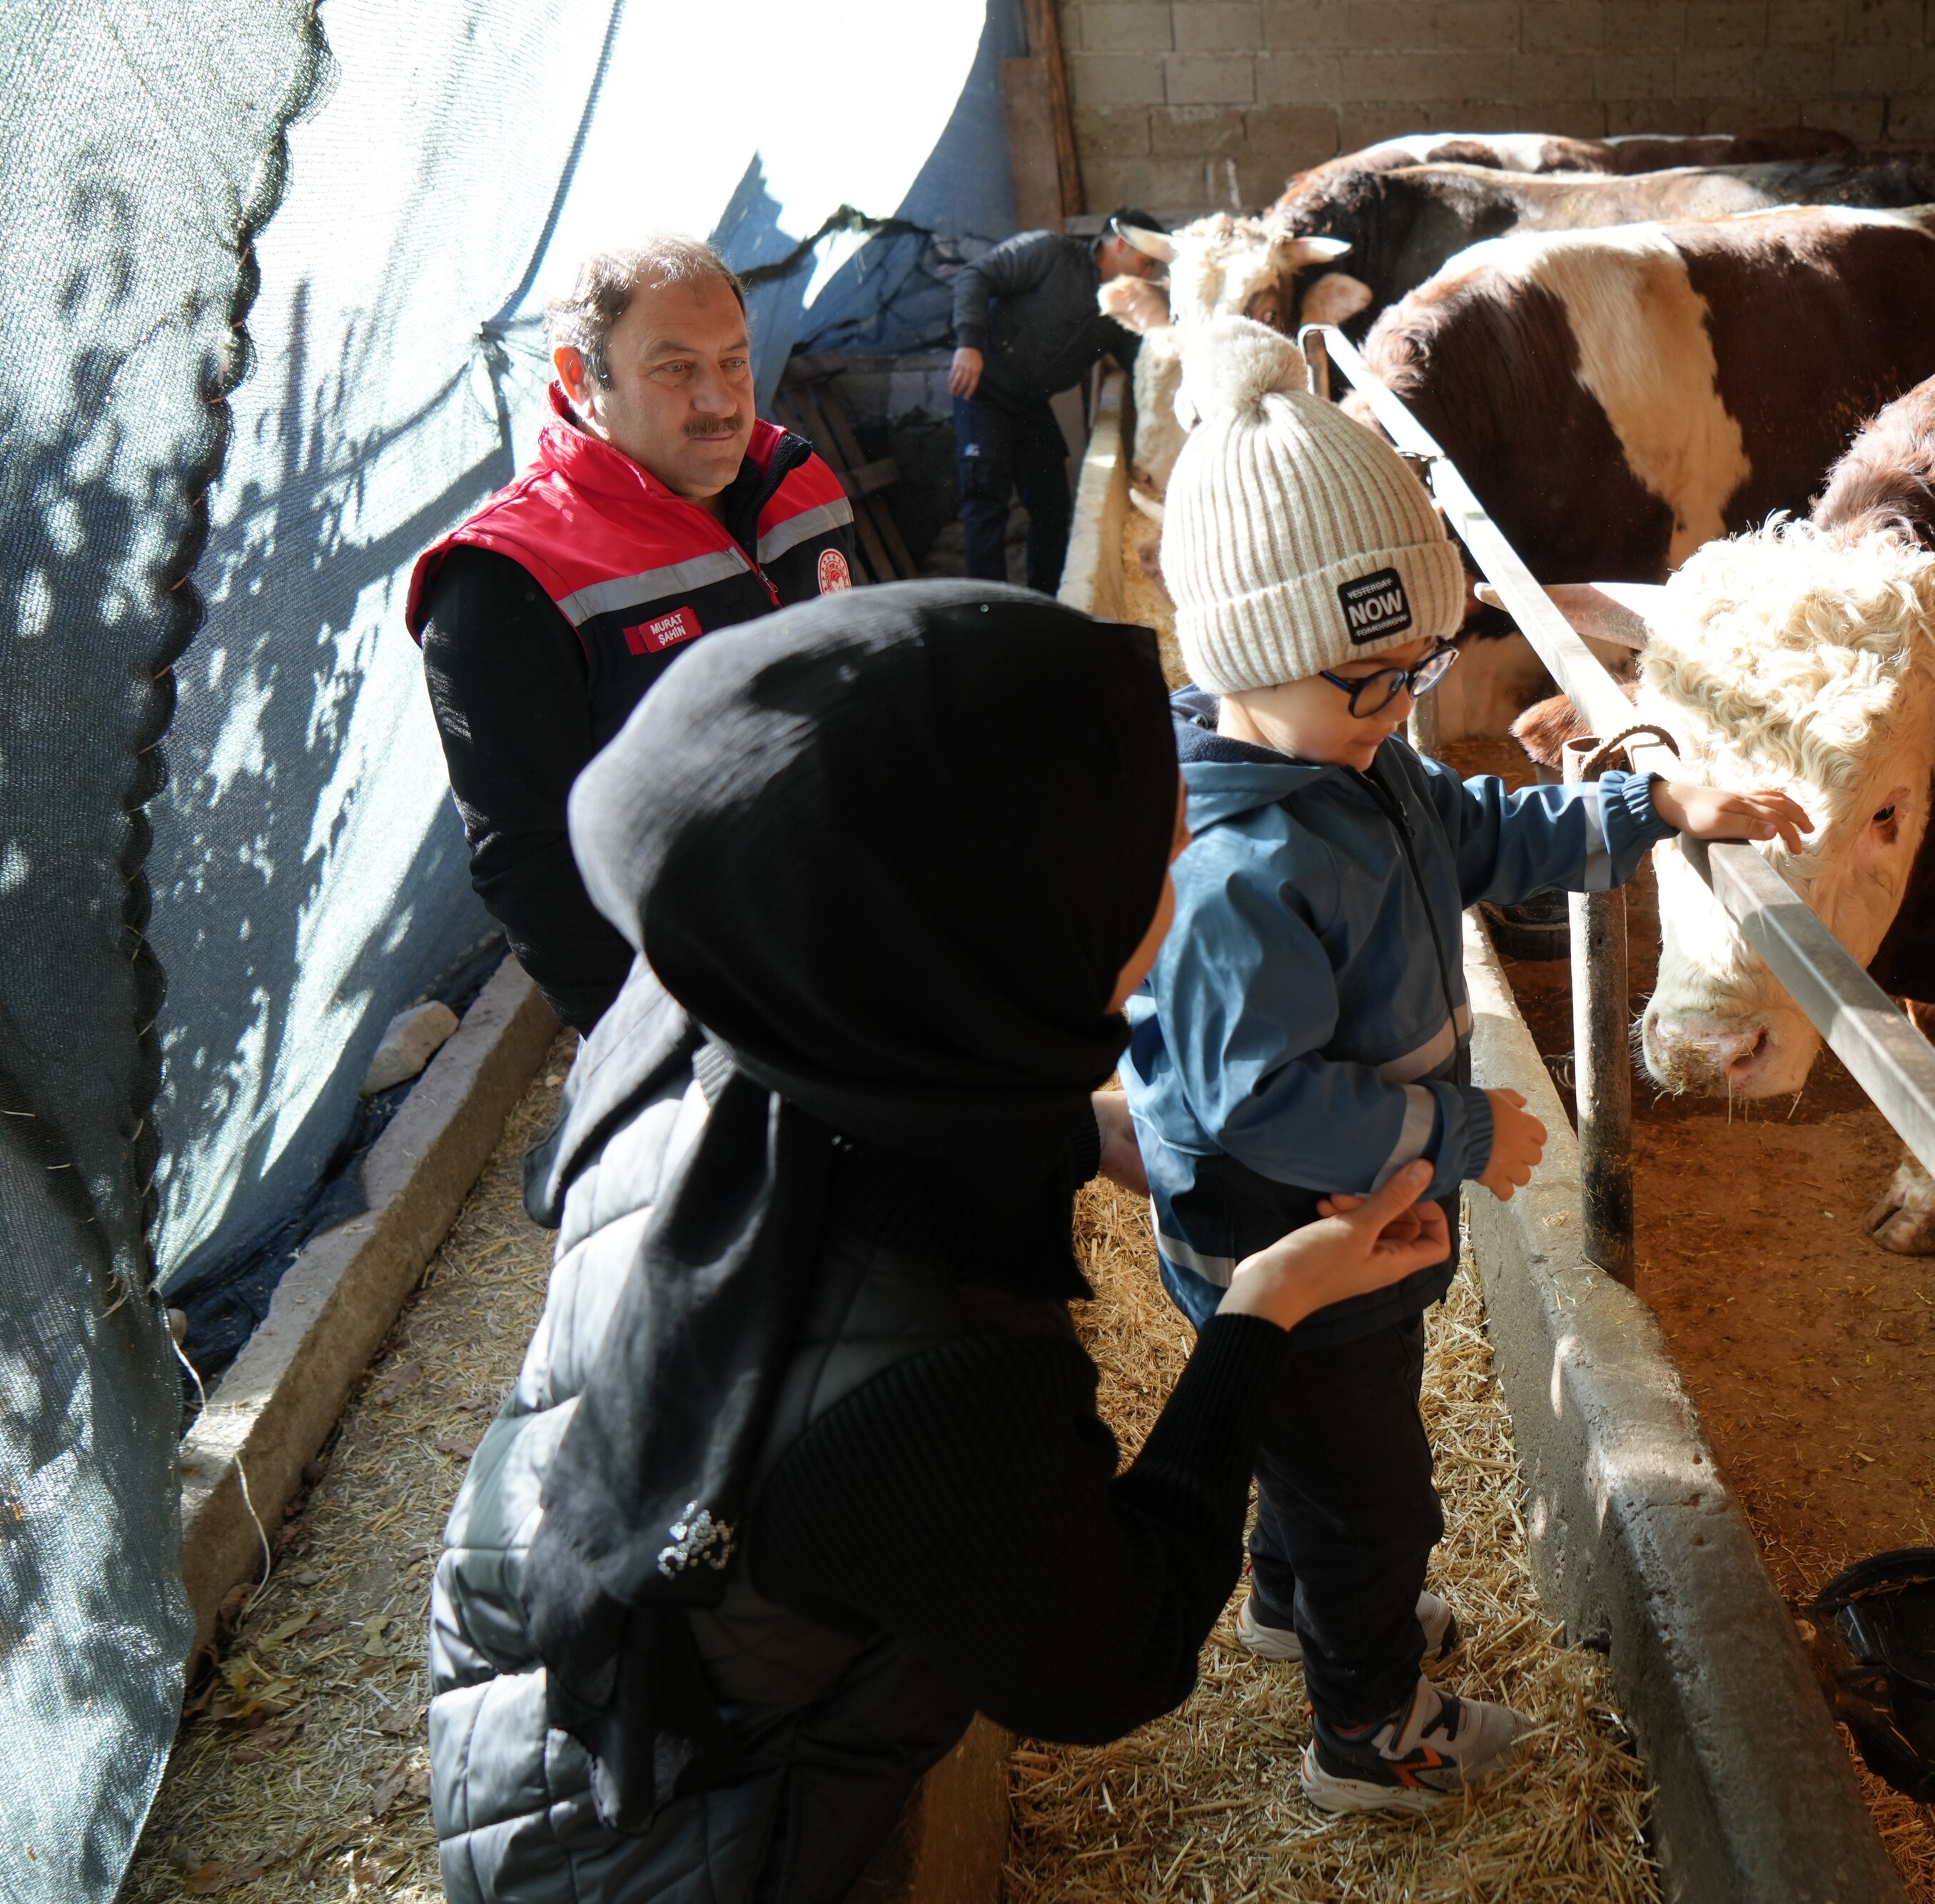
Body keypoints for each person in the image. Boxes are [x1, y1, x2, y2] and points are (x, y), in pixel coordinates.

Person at [425, 581, 1452, 1900]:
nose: (1189, 883)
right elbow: (1111, 1659)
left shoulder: (715, 1028)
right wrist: (1261, 1315)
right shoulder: (924, 1380)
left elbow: (905, 1121)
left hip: (583, 1708)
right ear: (1001, 918)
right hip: (698, 1855)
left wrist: (1082, 1135)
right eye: (1155, 851)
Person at [1121, 319, 1812, 1813]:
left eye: (1419, 664)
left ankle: (1290, 1601)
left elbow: (1493, 830)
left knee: (1311, 1459)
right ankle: (1365, 1731)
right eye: (1368, 678)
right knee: (1373, 1492)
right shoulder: (1239, 866)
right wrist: (1458, 1132)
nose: (1402, 705)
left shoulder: (1356, 762)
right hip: (1289, 1228)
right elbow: (1261, 1102)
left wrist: (1662, 803)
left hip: (1340, 1218)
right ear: (1248, 661)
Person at [407, 233, 863, 1032]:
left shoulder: (800, 484)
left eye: (733, 360)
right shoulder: (506, 579)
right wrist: (654, 1044)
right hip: (715, 1004)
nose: (720, 401)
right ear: (580, 377)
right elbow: (532, 863)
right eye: (675, 368)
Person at [945, 211, 1166, 593]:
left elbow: (1143, 367)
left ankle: (1044, 604)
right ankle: (987, 616)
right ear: (1121, 245)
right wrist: (969, 342)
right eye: (1145, 263)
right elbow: (975, 275)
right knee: (986, 507)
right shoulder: (1048, 252)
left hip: (1030, 405)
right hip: (984, 391)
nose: (1146, 276)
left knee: (1053, 508)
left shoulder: (1121, 309)